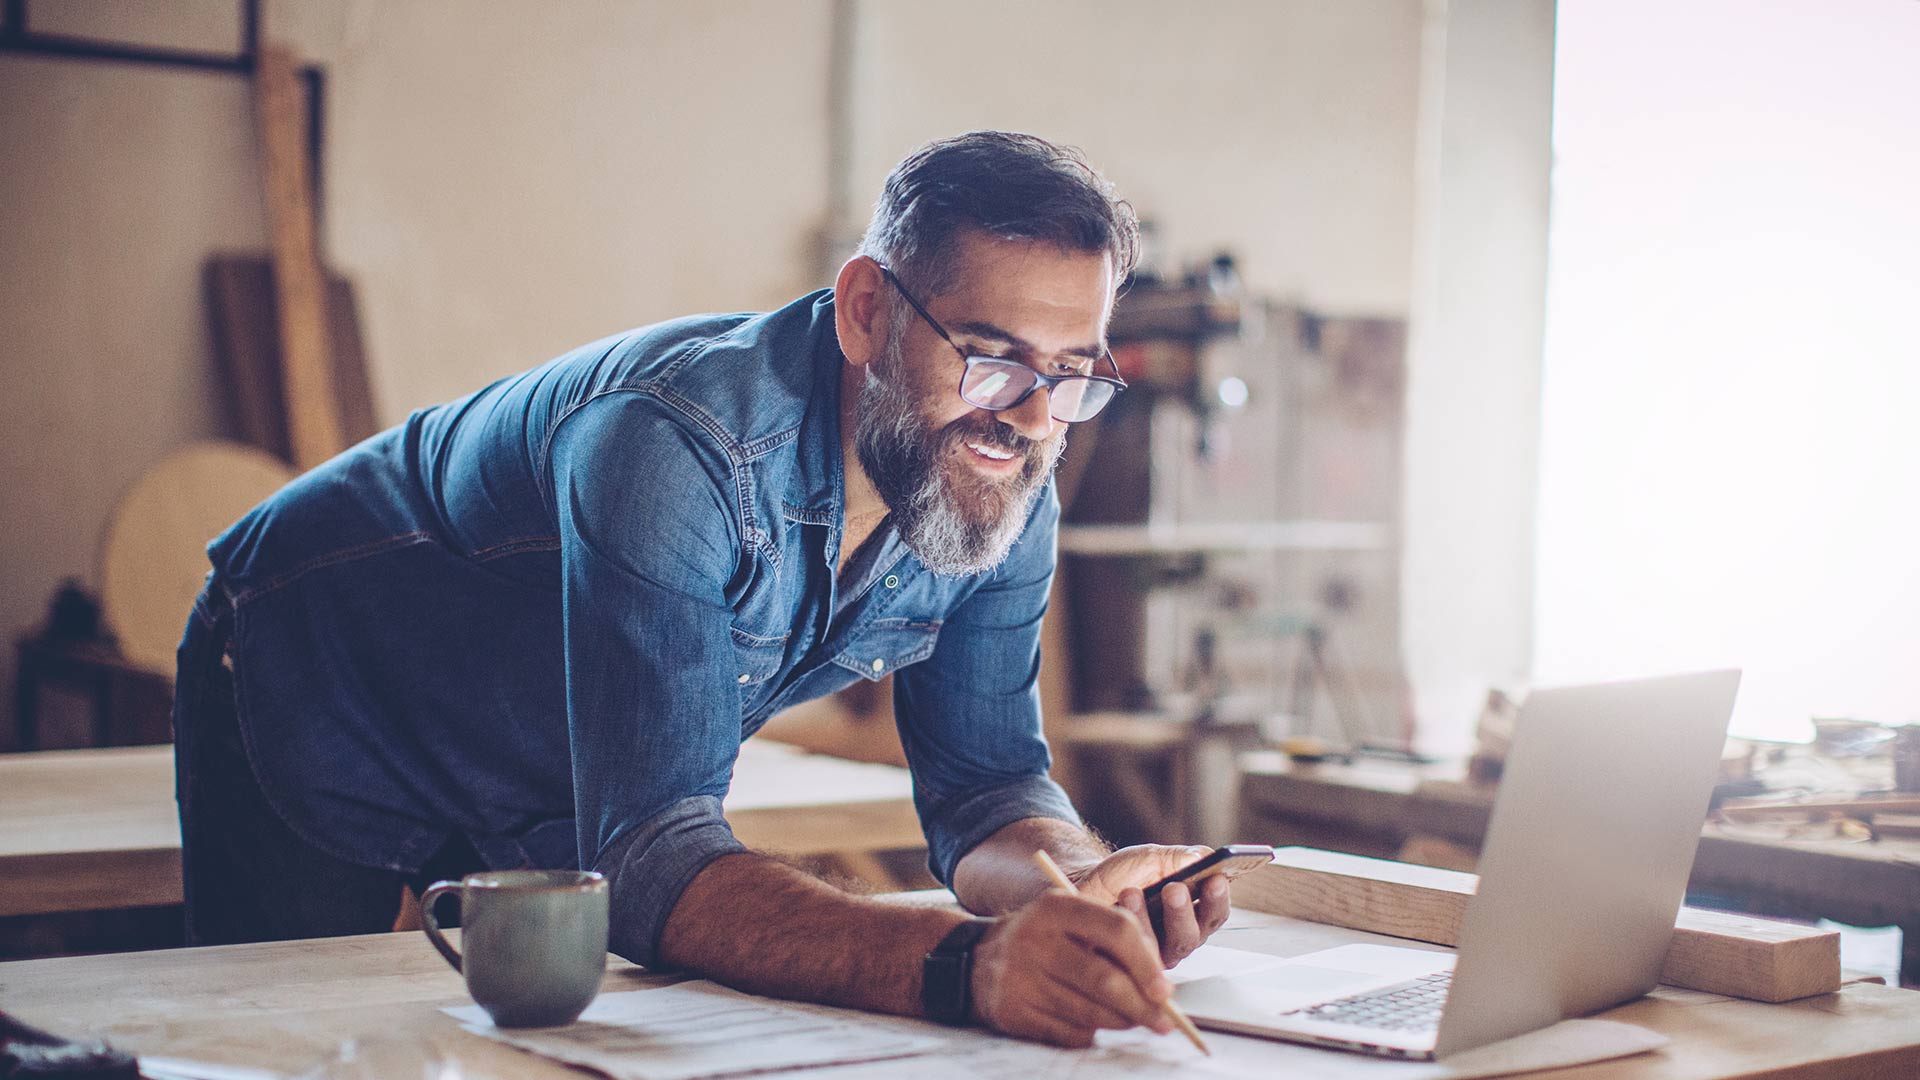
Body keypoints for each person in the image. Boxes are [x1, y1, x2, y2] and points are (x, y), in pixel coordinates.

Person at [173, 130, 1232, 1047]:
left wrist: (1078, 887)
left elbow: (989, 791)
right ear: (866, 309)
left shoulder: (1003, 484)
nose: (1033, 419)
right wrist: (962, 967)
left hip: (548, 763)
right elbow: (651, 863)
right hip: (322, 681)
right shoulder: (673, 449)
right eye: (993, 358)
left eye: (1072, 375)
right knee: (293, 1046)